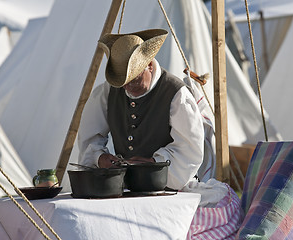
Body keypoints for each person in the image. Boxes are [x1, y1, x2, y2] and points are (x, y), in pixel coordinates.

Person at [77, 29, 204, 190]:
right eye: (123, 83)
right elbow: (89, 137)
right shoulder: (108, 91)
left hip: (168, 189)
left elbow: (190, 151)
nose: (128, 88)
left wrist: (155, 163)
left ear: (149, 65)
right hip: (125, 187)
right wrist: (99, 157)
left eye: (134, 81)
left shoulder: (175, 94)